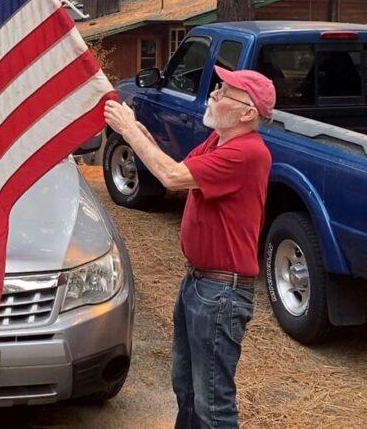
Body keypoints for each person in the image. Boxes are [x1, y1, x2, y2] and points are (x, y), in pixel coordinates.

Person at [104, 67, 275, 429]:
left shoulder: (247, 153)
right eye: (218, 87)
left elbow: (171, 177)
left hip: (221, 293)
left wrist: (128, 130)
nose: (213, 94)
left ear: (247, 113)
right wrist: (135, 125)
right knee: (186, 388)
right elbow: (175, 164)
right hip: (200, 284)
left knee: (213, 403)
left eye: (225, 92)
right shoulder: (218, 142)